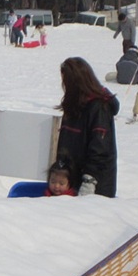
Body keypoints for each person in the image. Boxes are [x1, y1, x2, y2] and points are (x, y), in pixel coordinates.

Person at [55, 57, 119, 197]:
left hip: (95, 183)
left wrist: (90, 180)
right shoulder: (74, 104)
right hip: (72, 176)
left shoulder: (99, 107)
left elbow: (100, 148)